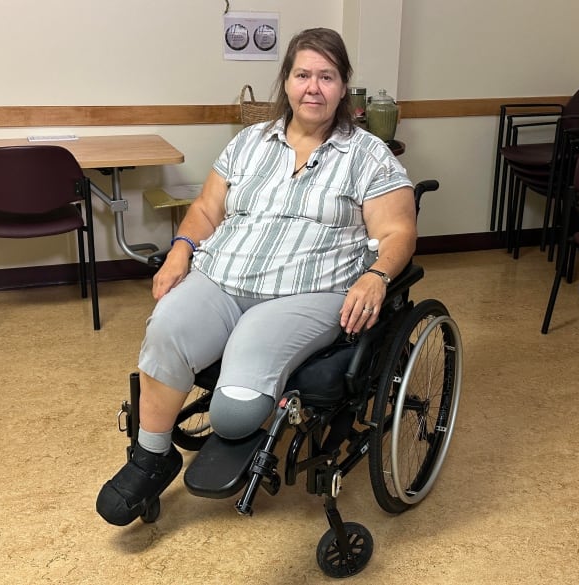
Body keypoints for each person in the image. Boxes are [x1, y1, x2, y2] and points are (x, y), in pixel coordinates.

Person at [96, 27, 417, 526]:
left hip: (306, 293)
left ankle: (242, 412)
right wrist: (181, 249)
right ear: (286, 82)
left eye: (327, 77)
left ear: (343, 86)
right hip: (221, 278)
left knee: (236, 411)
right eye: (303, 74)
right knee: (166, 327)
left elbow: (397, 231)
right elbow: (206, 209)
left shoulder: (368, 155)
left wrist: (376, 275)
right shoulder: (249, 142)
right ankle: (152, 455)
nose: (314, 87)